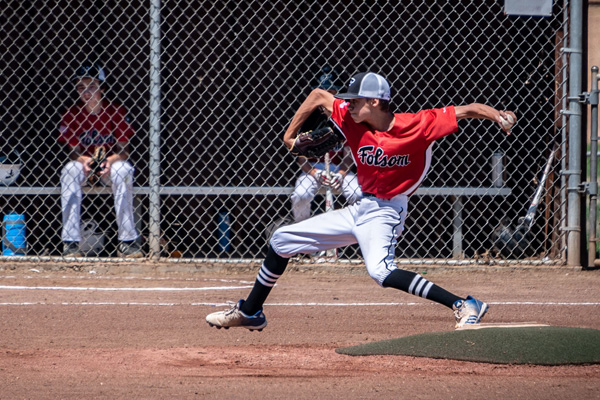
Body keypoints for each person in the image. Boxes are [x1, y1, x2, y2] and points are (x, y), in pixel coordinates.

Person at [206, 71, 516, 331]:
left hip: (388, 210)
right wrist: (290, 137)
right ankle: (250, 311)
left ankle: (464, 304)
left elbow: (468, 109)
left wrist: (498, 116)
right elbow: (317, 95)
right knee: (282, 239)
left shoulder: (418, 124)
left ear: (375, 102)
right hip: (361, 207)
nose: (348, 104)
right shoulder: (351, 119)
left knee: (380, 271)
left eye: (355, 100)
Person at [58, 62, 143, 258]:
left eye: (92, 86)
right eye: (81, 87)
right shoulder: (72, 113)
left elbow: (124, 150)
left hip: (109, 167)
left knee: (124, 170)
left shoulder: (115, 111)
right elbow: (73, 151)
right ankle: (70, 243)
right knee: (70, 169)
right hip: (85, 166)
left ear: (102, 88)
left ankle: (127, 241)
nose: (86, 92)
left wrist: (110, 161)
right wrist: (85, 160)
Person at [291, 67, 361, 224]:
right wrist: (315, 173)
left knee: (357, 194)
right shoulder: (308, 119)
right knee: (301, 195)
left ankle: (358, 230)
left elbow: (348, 157)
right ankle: (303, 233)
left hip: (338, 169)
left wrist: (341, 174)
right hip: (313, 168)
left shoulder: (346, 119)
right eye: (323, 92)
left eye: (331, 92)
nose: (326, 97)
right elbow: (301, 159)